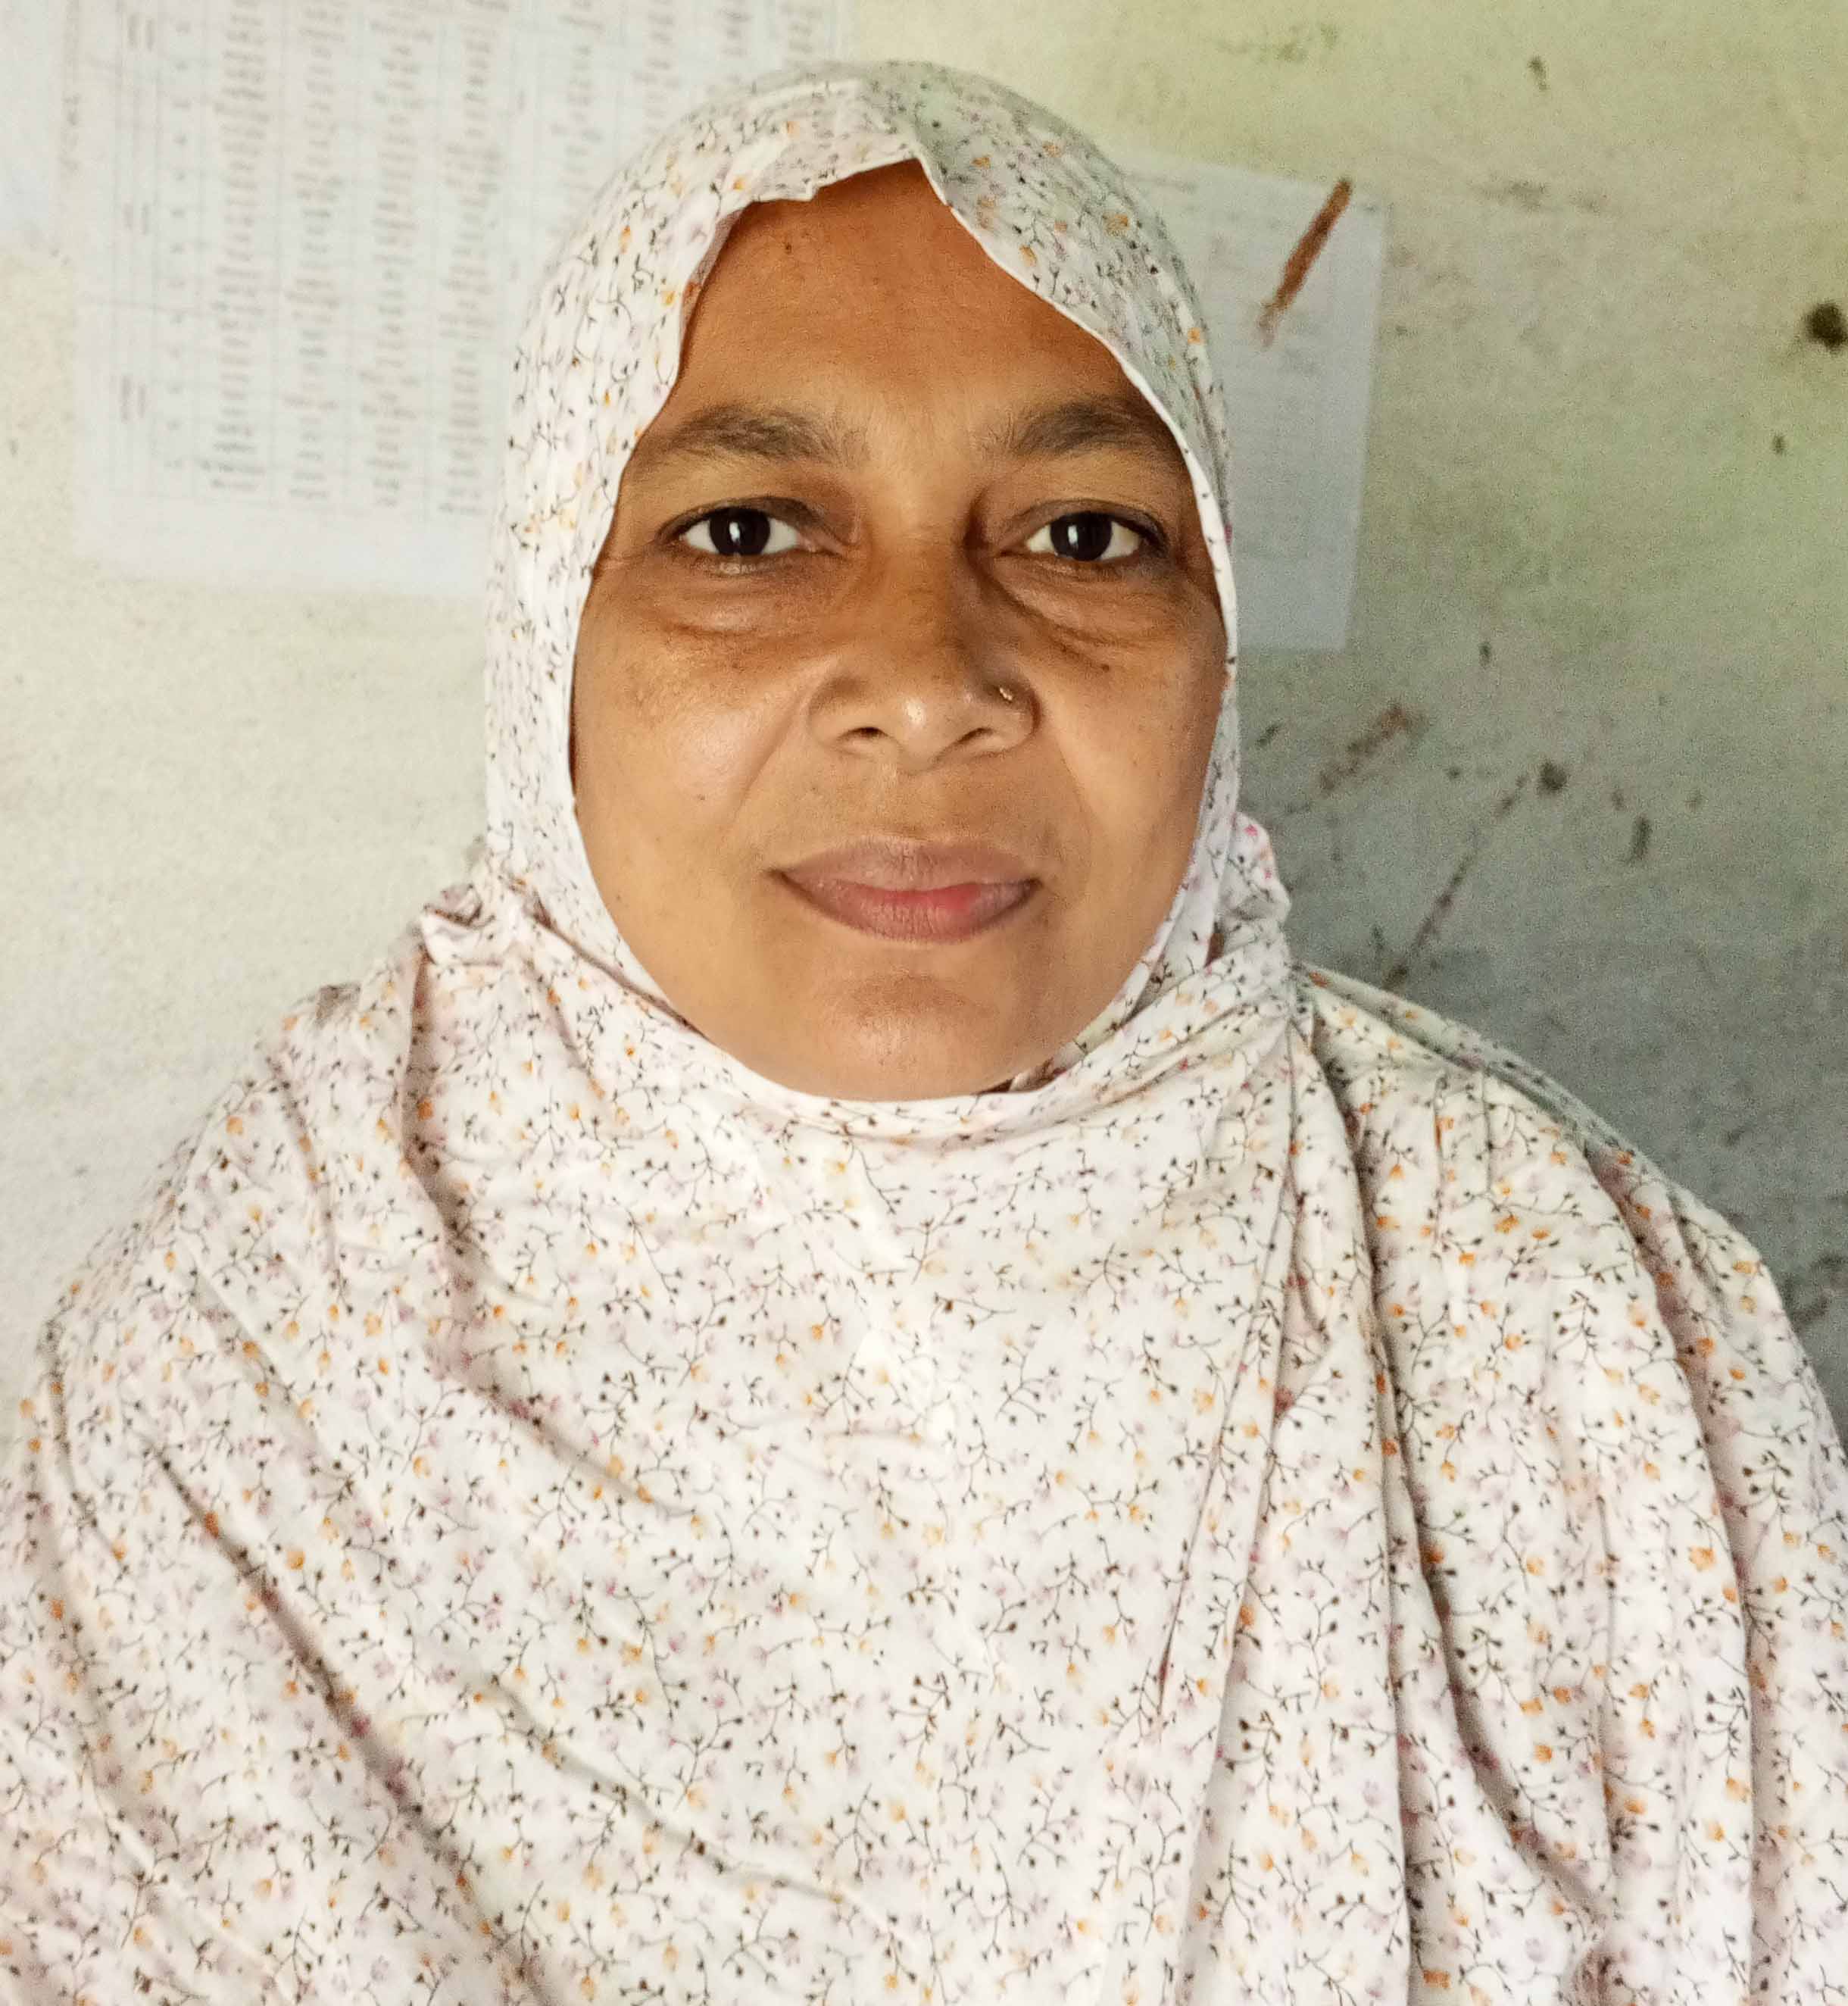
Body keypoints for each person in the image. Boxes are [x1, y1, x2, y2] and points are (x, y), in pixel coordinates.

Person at [3, 56, 1844, 2005]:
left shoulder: (1554, 1318)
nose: (924, 680)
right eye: (745, 534)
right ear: (552, 621)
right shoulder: (254, 1340)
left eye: (1081, 538)